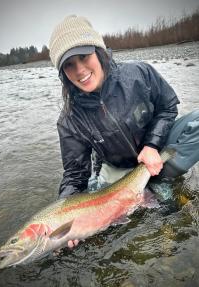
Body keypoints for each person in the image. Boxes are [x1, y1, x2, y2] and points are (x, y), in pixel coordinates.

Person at [49, 15, 199, 246]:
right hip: (117, 169)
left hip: (157, 151)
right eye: (69, 64)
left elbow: (168, 107)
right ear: (62, 73)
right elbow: (74, 175)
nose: (80, 70)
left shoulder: (140, 73)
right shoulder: (69, 120)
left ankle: (161, 180)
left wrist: (152, 144)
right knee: (97, 220)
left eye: (84, 56)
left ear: (98, 51)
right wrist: (67, 218)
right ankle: (150, 189)